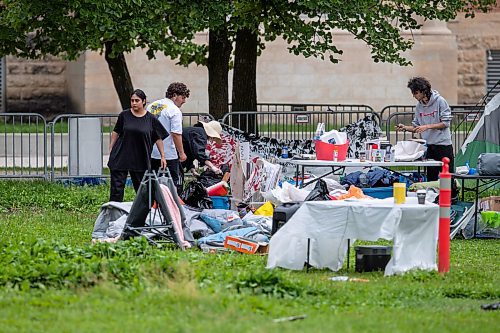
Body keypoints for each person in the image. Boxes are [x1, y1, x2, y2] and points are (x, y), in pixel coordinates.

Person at [108, 89, 168, 202]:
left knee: (142, 190)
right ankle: (114, 214)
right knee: (116, 189)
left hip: (140, 158)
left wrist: (163, 156)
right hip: (121, 156)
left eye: (137, 100)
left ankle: (142, 214)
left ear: (144, 101)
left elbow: (158, 137)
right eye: (132, 100)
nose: (134, 103)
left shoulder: (151, 119)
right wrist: (111, 148)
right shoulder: (124, 115)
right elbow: (116, 131)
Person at [396, 76, 455, 182]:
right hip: (429, 146)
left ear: (423, 91)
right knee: (431, 178)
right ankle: (432, 197)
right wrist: (405, 128)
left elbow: (446, 123)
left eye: (415, 92)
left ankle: (451, 197)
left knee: (447, 177)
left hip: (443, 145)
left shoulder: (440, 101)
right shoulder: (419, 107)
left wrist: (427, 126)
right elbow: (416, 127)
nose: (414, 95)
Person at [147, 82, 189, 192]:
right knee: (172, 185)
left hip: (151, 152)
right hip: (168, 154)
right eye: (183, 97)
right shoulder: (174, 110)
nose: (184, 101)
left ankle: (152, 205)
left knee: (152, 183)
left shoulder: (152, 106)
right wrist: (181, 153)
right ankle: (170, 207)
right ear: (174, 95)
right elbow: (175, 134)